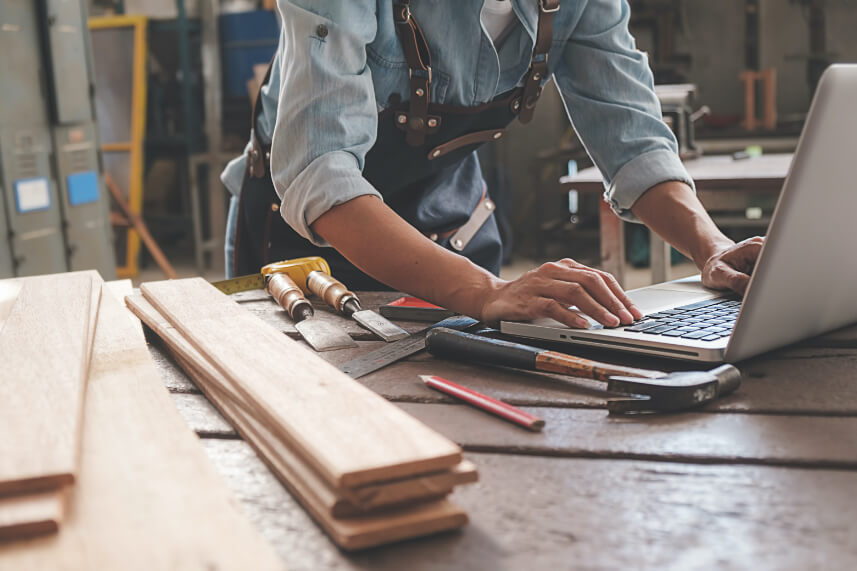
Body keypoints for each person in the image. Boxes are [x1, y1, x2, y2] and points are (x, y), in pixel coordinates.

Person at [221, 0, 763, 330]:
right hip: (302, 246)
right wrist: (483, 291)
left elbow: (634, 139)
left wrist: (712, 248)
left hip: (453, 218)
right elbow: (320, 173)